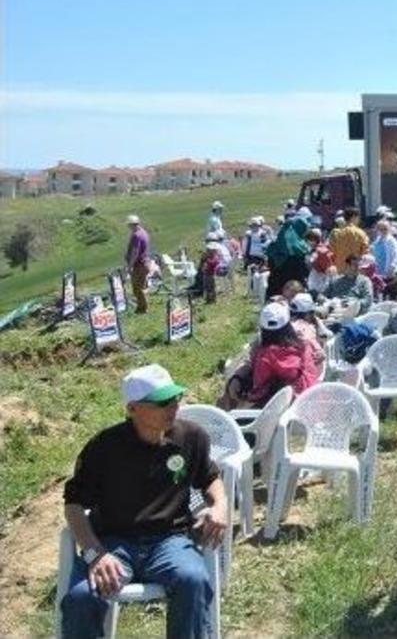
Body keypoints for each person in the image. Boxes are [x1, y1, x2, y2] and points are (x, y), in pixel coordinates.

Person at [61, 364, 227, 639]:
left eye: (176, 397)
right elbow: (74, 505)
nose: (173, 406)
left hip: (170, 539)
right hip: (114, 541)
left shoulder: (192, 437)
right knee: (81, 597)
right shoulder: (104, 447)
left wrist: (220, 504)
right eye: (163, 402)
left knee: (193, 580)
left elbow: (210, 477)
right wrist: (94, 554)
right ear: (132, 408)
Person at [239, 302, 320, 407]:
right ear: (288, 325)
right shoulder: (304, 346)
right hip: (308, 403)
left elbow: (258, 387)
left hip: (277, 411)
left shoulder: (265, 355)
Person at [265, 210, 312, 297]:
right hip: (293, 291)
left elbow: (270, 264)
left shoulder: (276, 243)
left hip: (275, 289)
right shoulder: (300, 249)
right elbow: (304, 272)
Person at [288, 293, 330, 369]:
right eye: (311, 312)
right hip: (304, 371)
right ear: (307, 314)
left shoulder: (285, 324)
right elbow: (326, 337)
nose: (312, 315)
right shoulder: (304, 327)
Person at [124, 215, 151, 314]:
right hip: (145, 263)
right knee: (141, 286)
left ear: (132, 224)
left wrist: (130, 266)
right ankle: (142, 306)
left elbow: (135, 252)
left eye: (129, 225)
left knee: (137, 288)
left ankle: (142, 308)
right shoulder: (144, 232)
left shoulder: (136, 235)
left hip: (139, 265)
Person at [328, 207, 370, 271]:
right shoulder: (360, 233)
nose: (359, 220)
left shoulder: (337, 234)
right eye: (358, 217)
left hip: (340, 269)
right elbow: (365, 251)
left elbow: (332, 252)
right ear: (353, 217)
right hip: (355, 269)